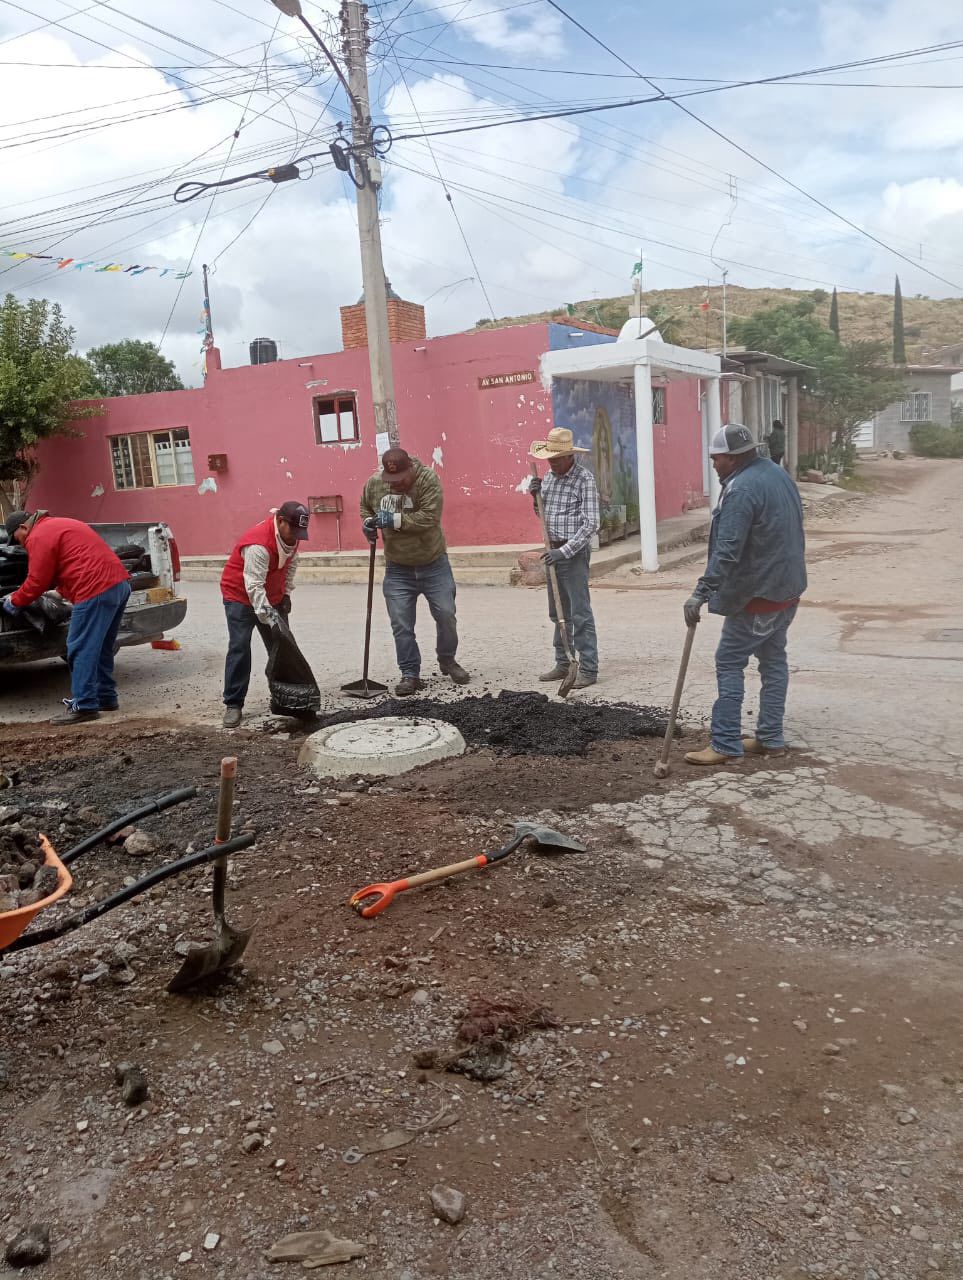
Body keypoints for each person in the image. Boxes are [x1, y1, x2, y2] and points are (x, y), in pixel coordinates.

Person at [682, 423, 807, 766]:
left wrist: (701, 592)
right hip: (787, 589)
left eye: (717, 459)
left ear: (734, 457)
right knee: (773, 662)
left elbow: (728, 549)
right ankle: (770, 738)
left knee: (729, 661)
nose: (713, 465)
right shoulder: (776, 474)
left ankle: (724, 743)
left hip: (759, 595)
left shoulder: (741, 490)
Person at [2, 510, 131, 725]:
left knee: (79, 648)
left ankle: (85, 706)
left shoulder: (38, 535)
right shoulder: (60, 524)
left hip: (95, 589)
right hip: (119, 585)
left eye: (17, 539)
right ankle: (106, 698)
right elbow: (76, 560)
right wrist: (61, 590)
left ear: (24, 528)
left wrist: (15, 601)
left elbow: (36, 581)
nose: (20, 545)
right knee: (100, 647)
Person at [360, 447, 469, 696]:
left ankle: (447, 659)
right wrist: (367, 523)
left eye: (401, 480)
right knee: (401, 624)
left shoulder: (428, 480)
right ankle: (410, 673)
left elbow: (429, 517)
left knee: (446, 614)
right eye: (391, 481)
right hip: (398, 568)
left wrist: (395, 521)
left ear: (411, 469)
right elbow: (365, 507)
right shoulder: (375, 484)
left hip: (433, 563)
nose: (396, 484)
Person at [220, 500, 309, 728]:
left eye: (301, 532)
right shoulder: (258, 543)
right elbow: (254, 587)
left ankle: (284, 700)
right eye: (294, 530)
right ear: (280, 521)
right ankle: (233, 704)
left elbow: (291, 564)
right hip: (240, 596)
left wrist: (286, 594)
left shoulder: (292, 538)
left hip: (273, 595)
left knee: (281, 648)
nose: (296, 538)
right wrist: (271, 618)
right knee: (239, 647)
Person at [528, 427, 601, 689]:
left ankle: (589, 668)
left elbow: (592, 523)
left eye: (557, 459)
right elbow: (543, 516)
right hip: (553, 551)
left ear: (570, 456)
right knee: (556, 612)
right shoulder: (547, 477)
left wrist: (565, 551)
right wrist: (535, 497)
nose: (552, 463)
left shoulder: (584, 479)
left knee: (579, 612)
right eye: (550, 459)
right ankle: (563, 663)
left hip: (573, 553)